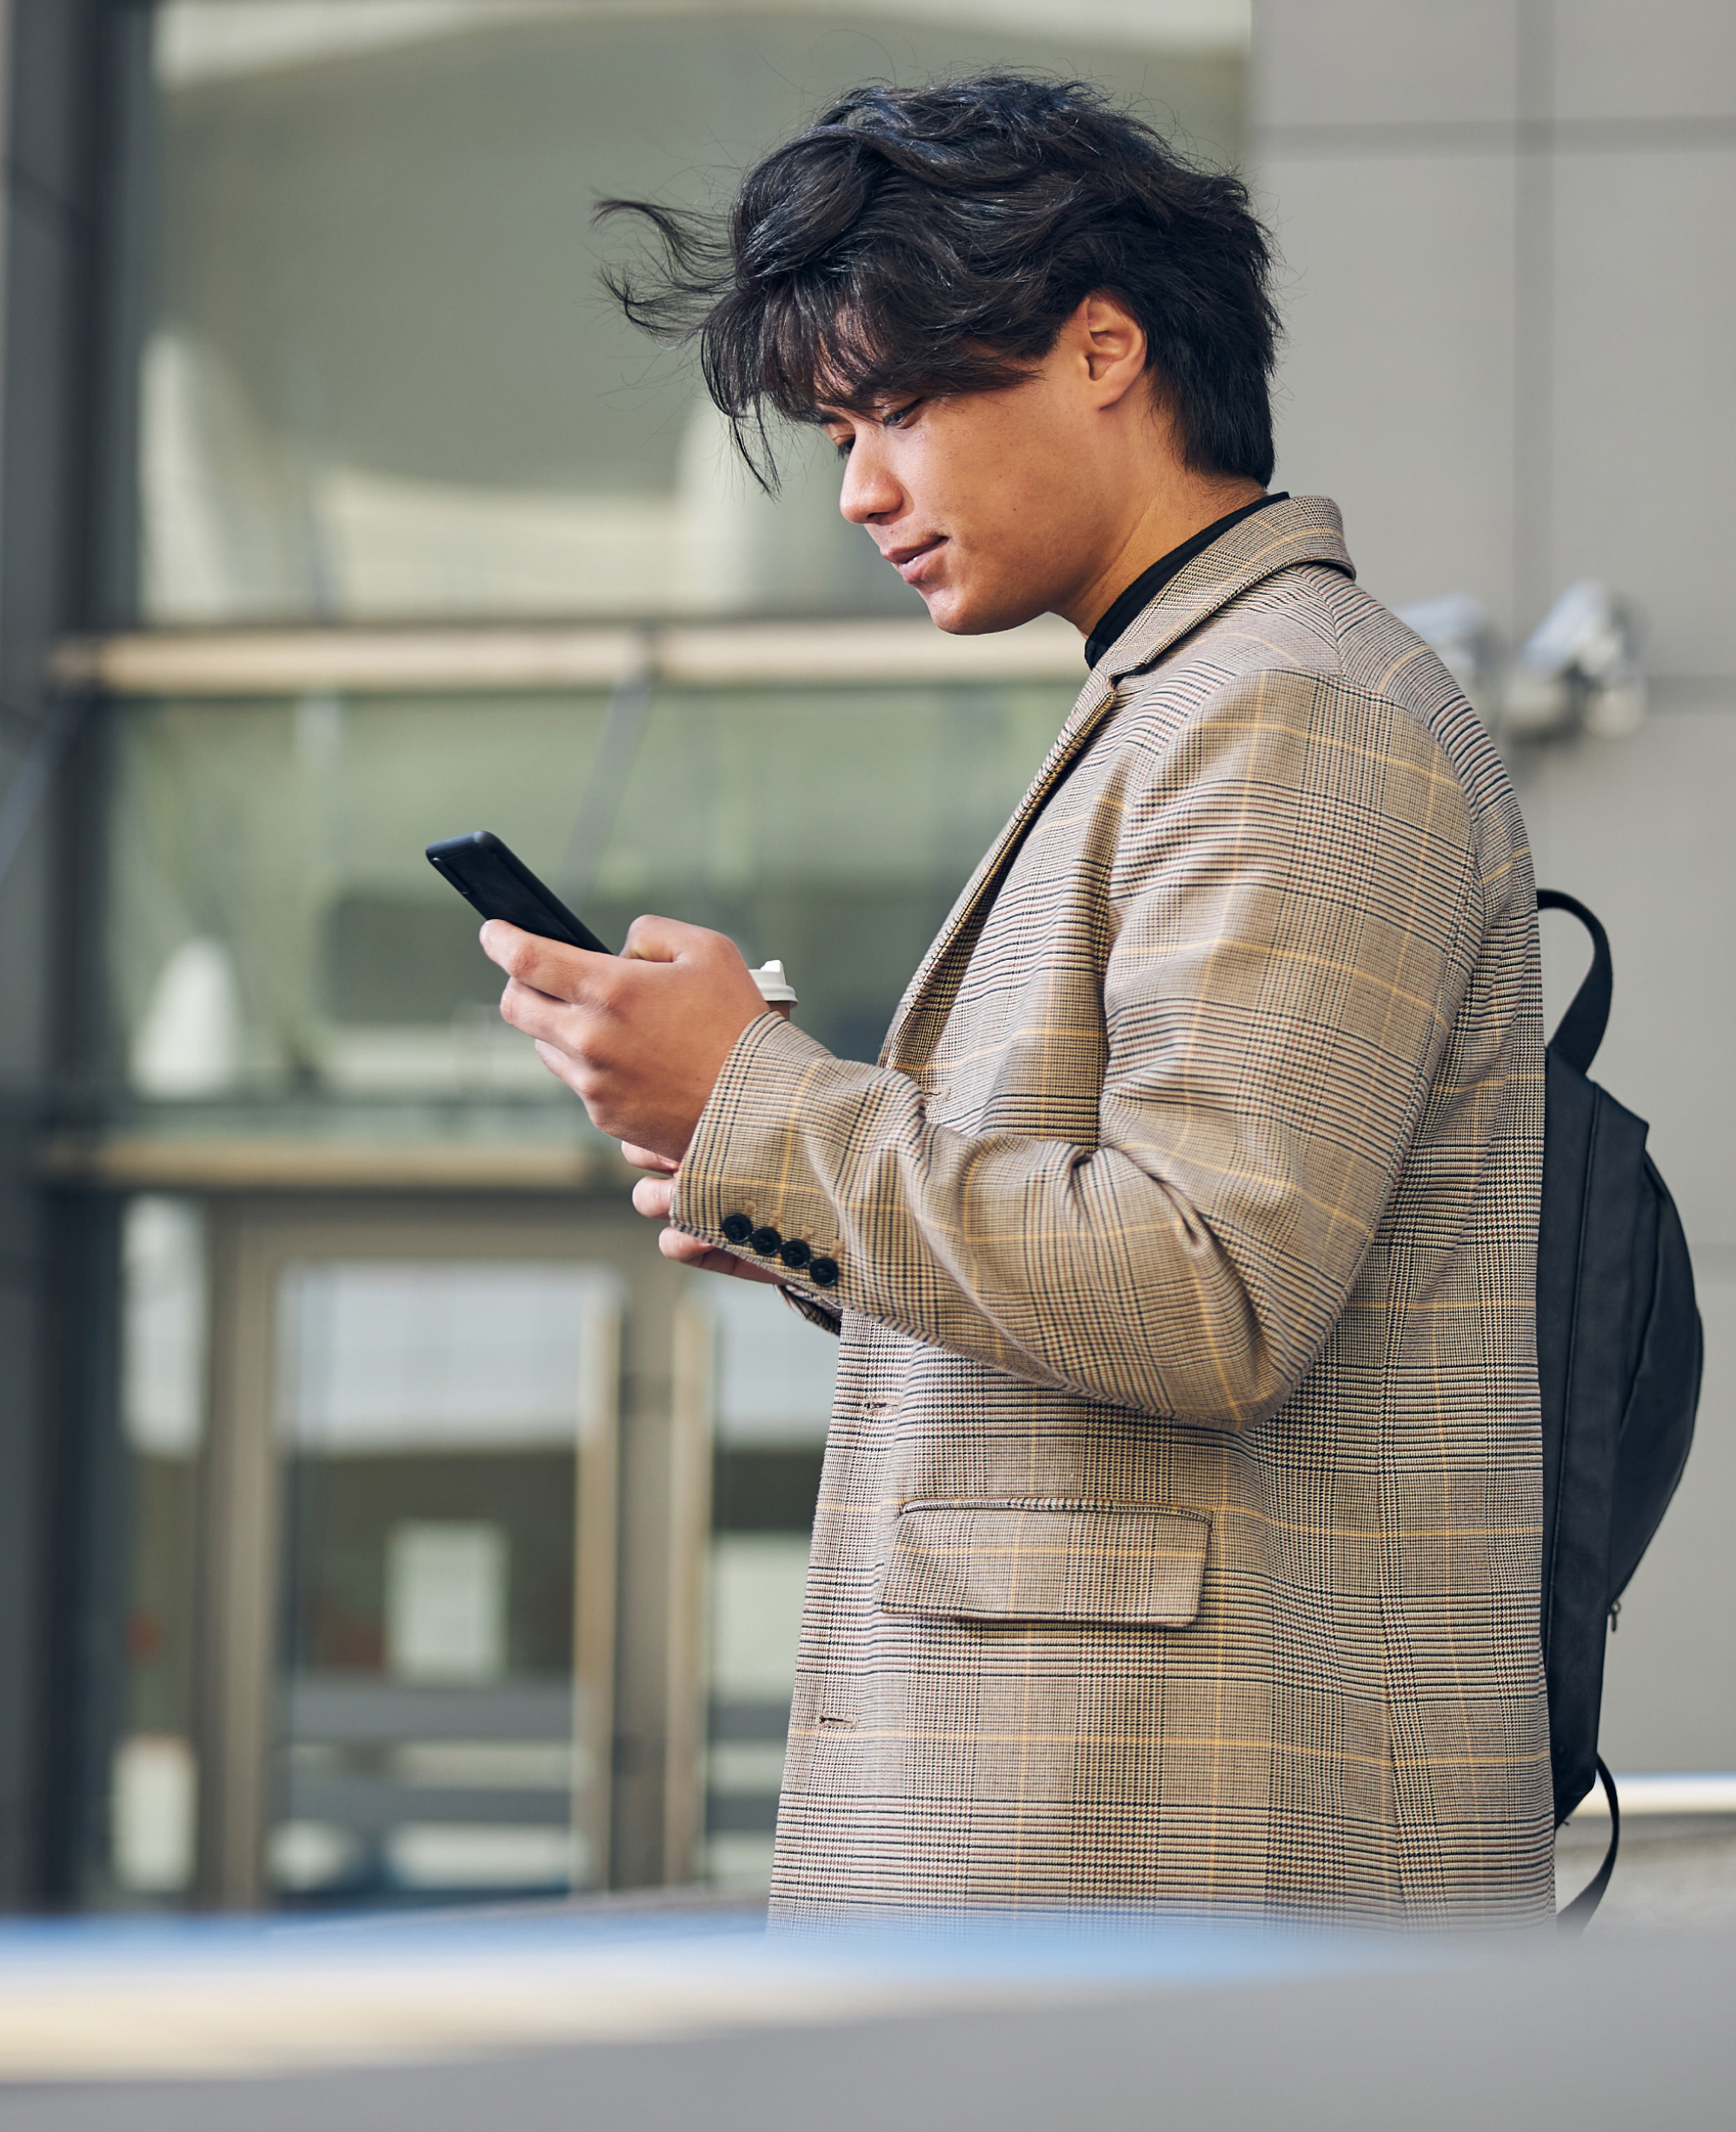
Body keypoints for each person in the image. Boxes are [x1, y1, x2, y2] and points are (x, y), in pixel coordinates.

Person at [483, 74, 1553, 1924]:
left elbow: (1208, 1287)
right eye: (837, 429)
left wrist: (763, 1104)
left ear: (1103, 349)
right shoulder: (1194, 692)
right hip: (1130, 1871)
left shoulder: (1286, 707)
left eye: (896, 406)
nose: (861, 488)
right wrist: (801, 1213)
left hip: (1187, 1882)